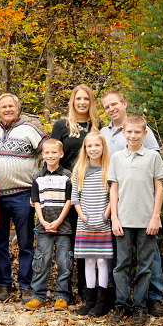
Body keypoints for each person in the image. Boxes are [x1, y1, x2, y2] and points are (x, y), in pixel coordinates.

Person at [100, 91, 163, 317]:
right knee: (121, 264)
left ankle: (143, 304)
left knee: (146, 264)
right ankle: (121, 303)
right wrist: (114, 216)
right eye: (129, 132)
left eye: (137, 132)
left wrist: (155, 216)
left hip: (146, 217)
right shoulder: (113, 151)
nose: (133, 135)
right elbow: (113, 187)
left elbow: (158, 185)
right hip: (123, 218)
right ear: (124, 134)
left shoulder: (151, 154)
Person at [0, 93, 46, 303]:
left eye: (11, 106)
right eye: (3, 107)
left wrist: (42, 180)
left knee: (25, 242)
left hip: (23, 194)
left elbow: (48, 151)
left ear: (17, 108)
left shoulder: (29, 129)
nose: (7, 109)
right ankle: (3, 284)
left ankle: (26, 284)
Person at [51, 84, 102, 301]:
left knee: (86, 238)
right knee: (68, 238)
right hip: (65, 190)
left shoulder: (97, 127)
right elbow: (51, 152)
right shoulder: (62, 126)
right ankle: (65, 289)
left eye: (86, 99)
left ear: (91, 102)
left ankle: (86, 287)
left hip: (91, 190)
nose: (82, 102)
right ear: (73, 101)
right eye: (78, 98)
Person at [24, 139, 72, 311]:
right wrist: (43, 221)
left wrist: (58, 221)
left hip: (63, 226)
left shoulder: (67, 175)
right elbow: (35, 201)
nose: (50, 156)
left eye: (54, 152)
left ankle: (62, 296)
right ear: (42, 155)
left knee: (64, 261)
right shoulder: (38, 176)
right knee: (41, 261)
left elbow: (69, 200)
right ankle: (38, 295)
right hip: (43, 226)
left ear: (61, 154)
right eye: (47, 153)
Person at [71, 132, 113, 317]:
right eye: (90, 146)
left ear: (103, 147)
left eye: (97, 145)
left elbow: (113, 196)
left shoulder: (109, 169)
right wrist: (83, 216)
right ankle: (90, 301)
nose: (93, 149)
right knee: (88, 260)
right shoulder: (79, 169)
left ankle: (102, 302)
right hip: (85, 222)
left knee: (102, 261)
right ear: (85, 149)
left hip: (103, 222)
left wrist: (105, 215)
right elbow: (75, 198)